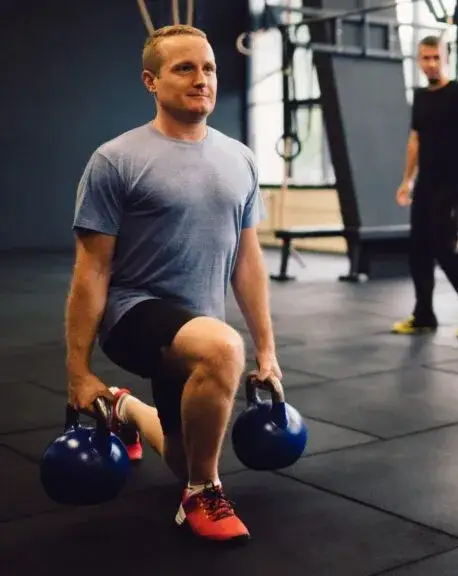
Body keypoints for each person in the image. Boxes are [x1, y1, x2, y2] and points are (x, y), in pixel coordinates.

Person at [65, 24, 281, 544]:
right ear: (151, 81)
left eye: (207, 67)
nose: (201, 78)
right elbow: (91, 269)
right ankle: (201, 494)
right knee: (222, 351)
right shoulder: (115, 160)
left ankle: (125, 409)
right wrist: (78, 371)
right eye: (184, 68)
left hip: (199, 321)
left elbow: (247, 260)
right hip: (134, 313)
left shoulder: (241, 159)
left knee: (185, 453)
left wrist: (268, 351)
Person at [392, 35, 458, 339]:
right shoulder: (421, 97)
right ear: (419, 60)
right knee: (419, 249)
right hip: (426, 182)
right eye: (426, 58)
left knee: (446, 248)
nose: (431, 63)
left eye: (436, 57)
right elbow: (414, 141)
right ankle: (423, 314)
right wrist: (407, 181)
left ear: (446, 58)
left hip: (454, 181)